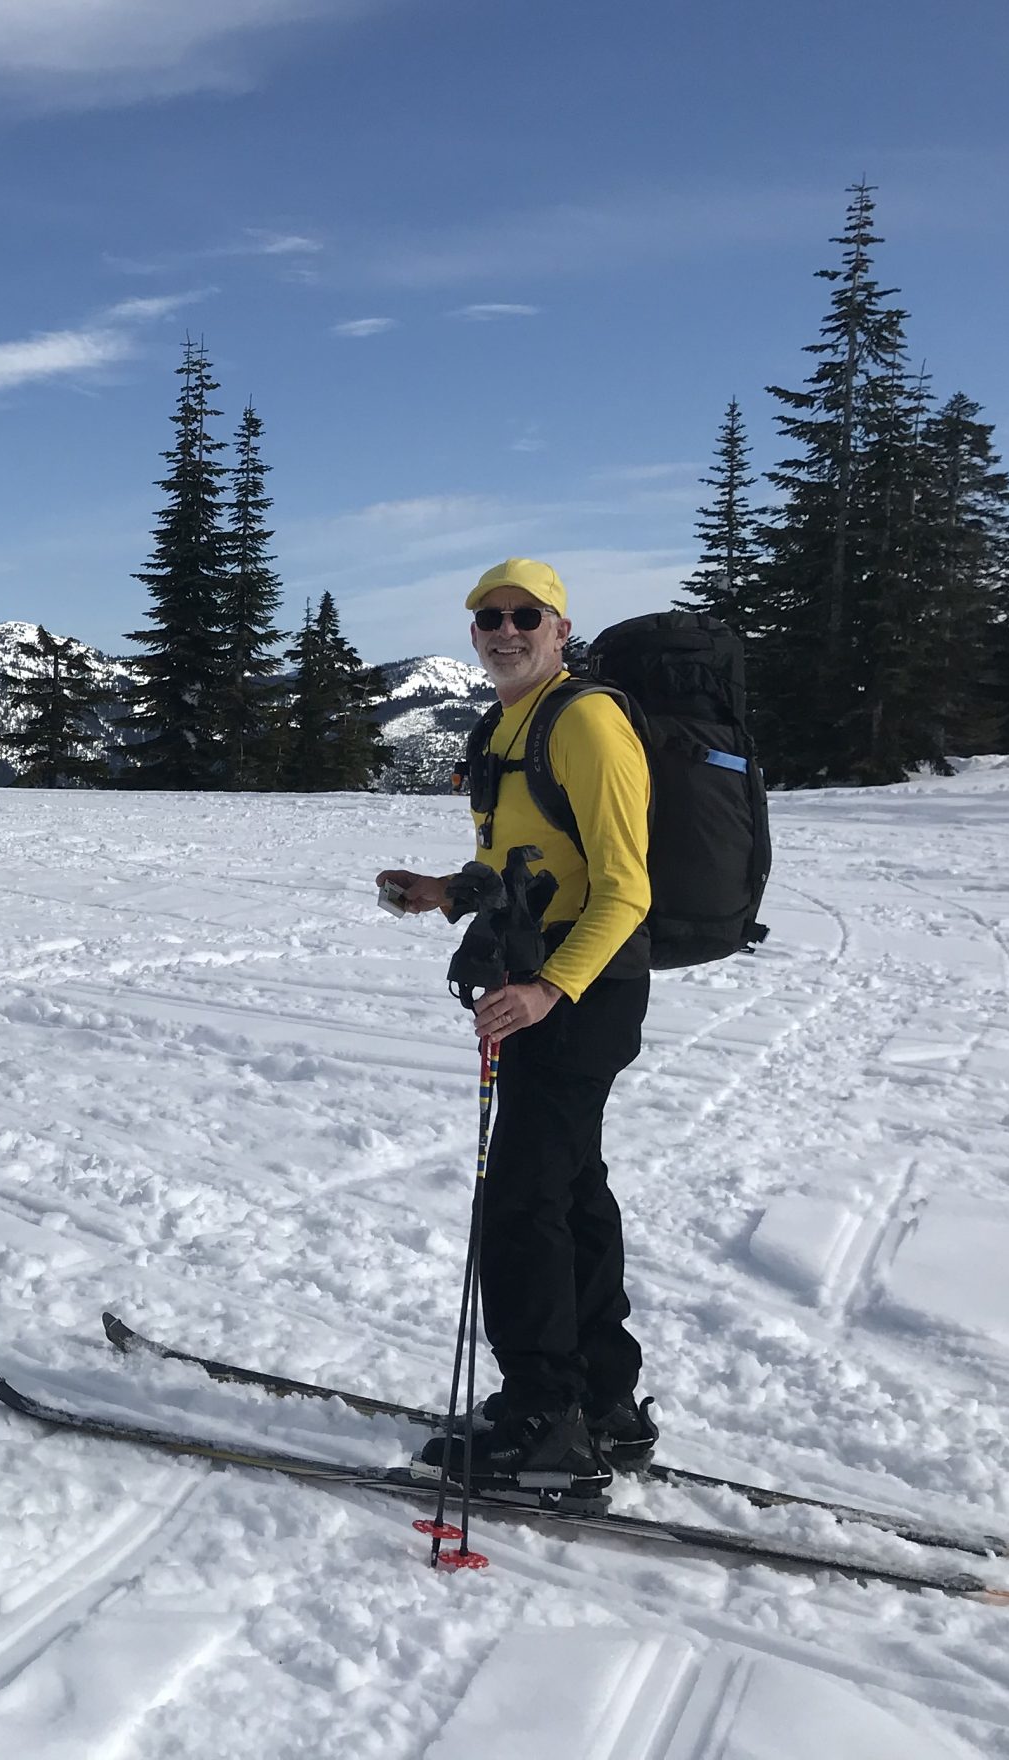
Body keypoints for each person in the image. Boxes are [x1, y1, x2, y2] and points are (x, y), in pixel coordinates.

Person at [374, 557, 656, 1502]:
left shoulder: (588, 723)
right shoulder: (509, 721)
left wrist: (549, 992)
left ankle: (541, 1416)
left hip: (583, 991)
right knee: (569, 1188)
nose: (504, 631)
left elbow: (626, 889)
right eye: (487, 618)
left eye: (523, 616)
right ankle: (604, 1402)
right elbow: (526, 863)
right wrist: (447, 893)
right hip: (545, 980)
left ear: (560, 627)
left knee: (523, 1201)